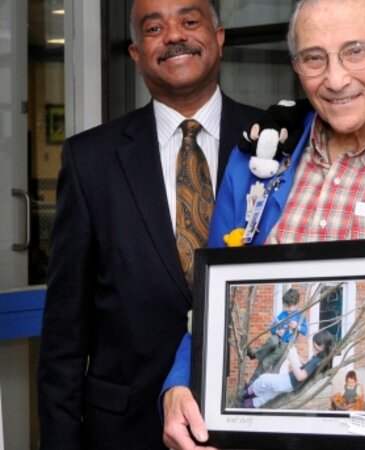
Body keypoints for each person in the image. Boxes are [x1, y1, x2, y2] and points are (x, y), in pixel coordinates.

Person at [161, 0, 365, 449]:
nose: (335, 79)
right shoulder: (256, 160)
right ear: (297, 67)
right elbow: (212, 301)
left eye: (355, 52)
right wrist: (179, 385)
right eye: (314, 58)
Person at [36, 1, 262, 449]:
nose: (174, 35)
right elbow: (64, 335)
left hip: (250, 425)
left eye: (190, 21)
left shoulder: (276, 141)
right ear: (137, 54)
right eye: (154, 27)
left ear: (219, 38)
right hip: (124, 431)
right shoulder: (90, 161)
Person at [241, 330, 334, 408]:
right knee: (269, 394)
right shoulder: (320, 360)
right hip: (291, 385)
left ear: (323, 347)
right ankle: (248, 405)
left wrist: (292, 359)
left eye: (316, 346)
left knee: (264, 379)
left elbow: (300, 376)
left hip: (289, 381)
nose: (313, 347)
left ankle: (246, 393)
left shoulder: (316, 360)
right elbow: (307, 369)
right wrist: (298, 358)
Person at [246, 287, 308, 382]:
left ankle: (251, 382)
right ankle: (255, 354)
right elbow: (273, 327)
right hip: (278, 337)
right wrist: (277, 331)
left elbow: (305, 331)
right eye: (286, 306)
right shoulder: (283, 314)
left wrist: (297, 326)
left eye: (290, 306)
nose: (288, 309)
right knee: (272, 341)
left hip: (286, 343)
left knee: (267, 361)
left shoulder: (300, 316)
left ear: (296, 304)